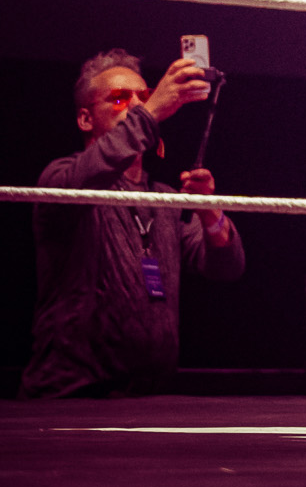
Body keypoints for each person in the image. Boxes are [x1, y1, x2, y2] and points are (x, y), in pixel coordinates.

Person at [21, 50, 244, 398]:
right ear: (85, 119)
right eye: (120, 98)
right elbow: (91, 172)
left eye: (144, 96)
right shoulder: (61, 177)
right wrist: (151, 112)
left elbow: (225, 267)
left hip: (150, 396)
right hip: (73, 395)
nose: (138, 104)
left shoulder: (165, 198)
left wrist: (210, 214)